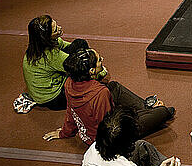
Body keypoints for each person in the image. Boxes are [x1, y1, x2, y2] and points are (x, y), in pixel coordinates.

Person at [43, 48, 174, 145]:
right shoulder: (100, 93)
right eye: (99, 60)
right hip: (109, 136)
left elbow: (71, 111)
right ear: (92, 71)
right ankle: (154, 110)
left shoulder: (69, 83)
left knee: (113, 87)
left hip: (95, 128)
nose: (102, 60)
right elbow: (109, 126)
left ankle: (148, 109)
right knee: (164, 112)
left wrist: (65, 132)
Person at [22, 15, 90, 110]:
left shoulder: (38, 46)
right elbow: (77, 66)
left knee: (80, 43)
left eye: (56, 25)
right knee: (84, 76)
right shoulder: (50, 55)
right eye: (55, 30)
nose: (60, 28)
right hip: (52, 99)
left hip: (42, 92)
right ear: (47, 37)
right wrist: (100, 71)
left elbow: (70, 46)